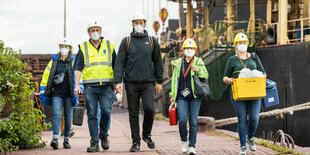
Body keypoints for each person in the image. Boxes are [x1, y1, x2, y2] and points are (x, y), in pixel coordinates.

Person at [114, 12, 163, 152]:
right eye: (136, 22)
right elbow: (119, 63)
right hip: (131, 83)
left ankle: (146, 135)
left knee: (149, 109)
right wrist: (118, 81)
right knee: (133, 113)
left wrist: (159, 81)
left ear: (145, 24)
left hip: (148, 83)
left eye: (141, 22)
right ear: (132, 24)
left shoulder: (152, 41)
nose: (139, 25)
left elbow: (158, 62)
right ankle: (136, 142)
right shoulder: (126, 41)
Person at [73, 20, 116, 152]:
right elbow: (78, 67)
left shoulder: (109, 46)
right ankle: (94, 142)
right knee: (92, 114)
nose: (95, 32)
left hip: (107, 86)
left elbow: (117, 66)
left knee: (106, 112)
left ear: (101, 32)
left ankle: (103, 134)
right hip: (90, 86)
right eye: (93, 30)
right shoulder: (83, 47)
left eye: (97, 30)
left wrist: (119, 83)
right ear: (88, 32)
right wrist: (76, 85)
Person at [223, 33, 266, 155]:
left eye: (244, 43)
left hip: (254, 92)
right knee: (241, 118)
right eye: (240, 43)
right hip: (238, 93)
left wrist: (260, 76)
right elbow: (224, 77)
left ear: (248, 44)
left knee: (254, 118)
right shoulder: (232, 60)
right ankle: (243, 147)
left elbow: (264, 73)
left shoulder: (254, 57)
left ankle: (250, 137)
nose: (242, 45)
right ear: (235, 45)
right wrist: (229, 80)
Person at [169, 38, 208, 155]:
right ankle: (184, 141)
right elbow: (174, 81)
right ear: (183, 50)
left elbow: (206, 75)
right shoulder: (178, 63)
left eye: (191, 48)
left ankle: (192, 146)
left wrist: (199, 70)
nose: (189, 50)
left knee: (193, 122)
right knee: (182, 120)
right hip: (182, 96)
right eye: (187, 48)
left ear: (195, 50)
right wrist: (172, 95)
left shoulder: (198, 61)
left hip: (195, 97)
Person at [39, 38, 78, 150]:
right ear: (59, 48)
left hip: (69, 94)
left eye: (66, 47)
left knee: (68, 117)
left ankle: (66, 140)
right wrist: (43, 91)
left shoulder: (73, 61)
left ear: (70, 48)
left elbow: (79, 75)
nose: (64, 49)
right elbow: (46, 76)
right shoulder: (54, 61)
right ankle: (55, 139)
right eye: (62, 46)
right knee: (56, 115)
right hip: (57, 93)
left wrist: (79, 88)